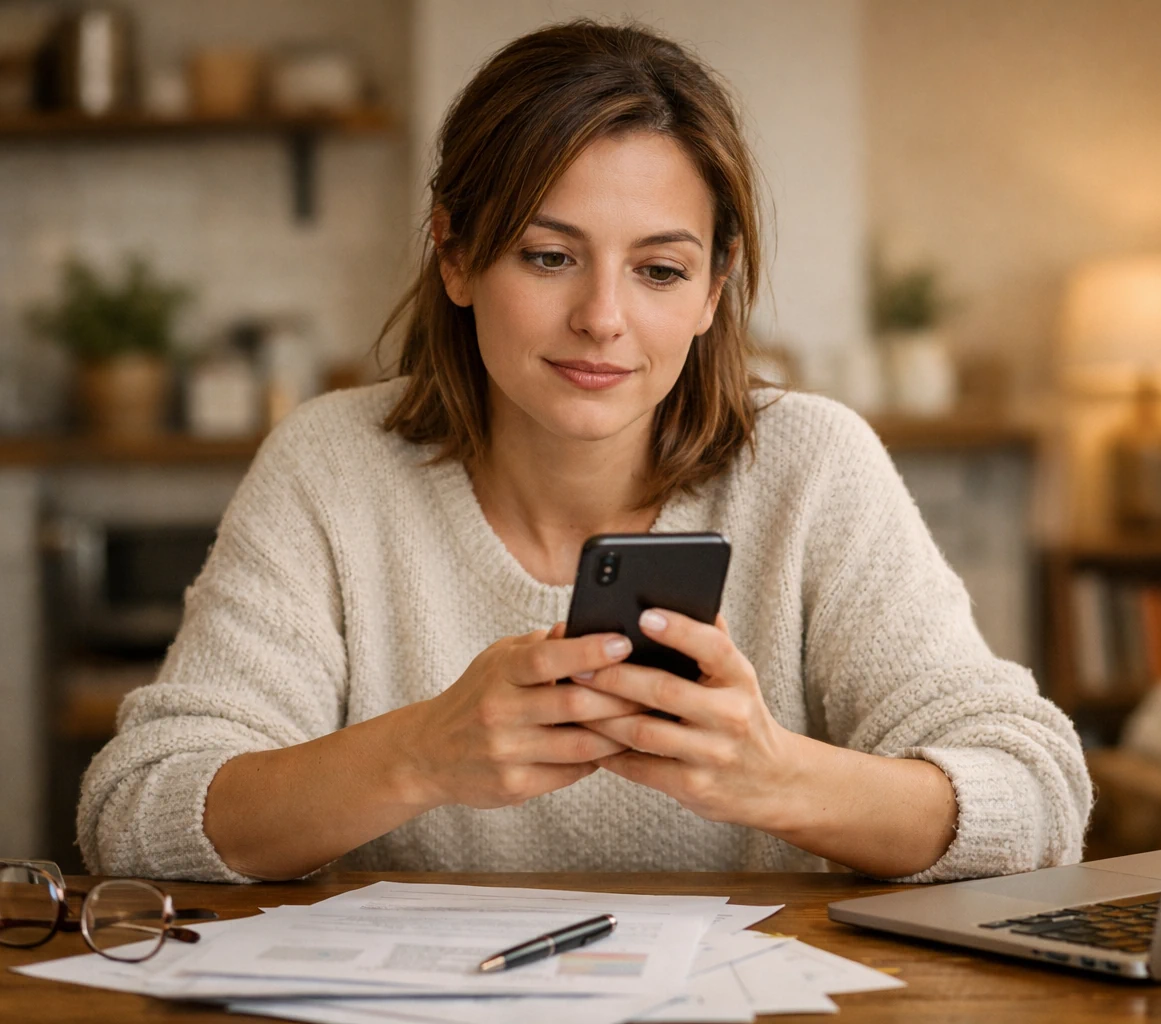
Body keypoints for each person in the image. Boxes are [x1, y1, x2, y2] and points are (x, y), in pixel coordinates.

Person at [78, 20, 1091, 884]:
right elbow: (133, 812)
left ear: (713, 287)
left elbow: (1038, 794)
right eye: (549, 256)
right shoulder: (331, 465)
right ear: (457, 254)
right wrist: (418, 756)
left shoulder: (812, 464)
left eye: (658, 268)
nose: (602, 318)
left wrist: (774, 775)